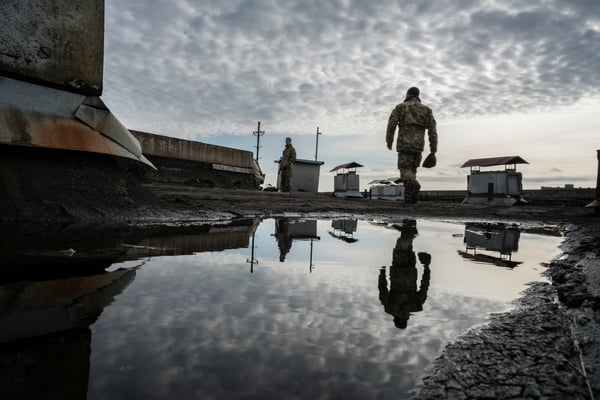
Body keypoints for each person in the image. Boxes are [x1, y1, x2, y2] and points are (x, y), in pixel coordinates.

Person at [386, 87, 438, 203]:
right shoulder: (427, 110)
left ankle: (413, 185)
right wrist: (433, 150)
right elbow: (432, 131)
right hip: (418, 146)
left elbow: (391, 124)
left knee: (405, 169)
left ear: (408, 94)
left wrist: (389, 141)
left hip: (404, 144)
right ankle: (410, 198)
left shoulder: (401, 107)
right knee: (413, 170)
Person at [378, 219, 431, 329]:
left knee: (407, 247)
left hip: (411, 272)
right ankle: (409, 226)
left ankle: (409, 227)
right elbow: (382, 288)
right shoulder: (389, 308)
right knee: (402, 246)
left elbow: (425, 287)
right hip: (397, 269)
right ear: (395, 319)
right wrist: (382, 273)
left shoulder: (416, 307)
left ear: (406, 320)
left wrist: (426, 268)